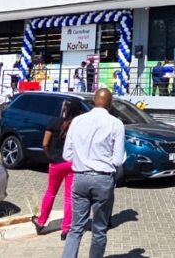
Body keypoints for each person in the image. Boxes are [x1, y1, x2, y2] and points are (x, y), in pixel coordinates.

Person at [61, 89, 125, 258]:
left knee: (76, 228)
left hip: (80, 177)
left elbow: (66, 154)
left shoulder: (77, 121)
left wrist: (82, 158)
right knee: (99, 229)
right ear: (110, 104)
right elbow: (118, 160)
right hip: (103, 179)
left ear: (93, 101)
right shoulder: (116, 124)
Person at [33, 100, 81, 238]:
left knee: (50, 192)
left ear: (64, 109)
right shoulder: (77, 126)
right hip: (71, 163)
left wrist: (51, 157)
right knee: (69, 197)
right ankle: (66, 229)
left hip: (56, 163)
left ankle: (41, 222)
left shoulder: (54, 122)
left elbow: (45, 144)